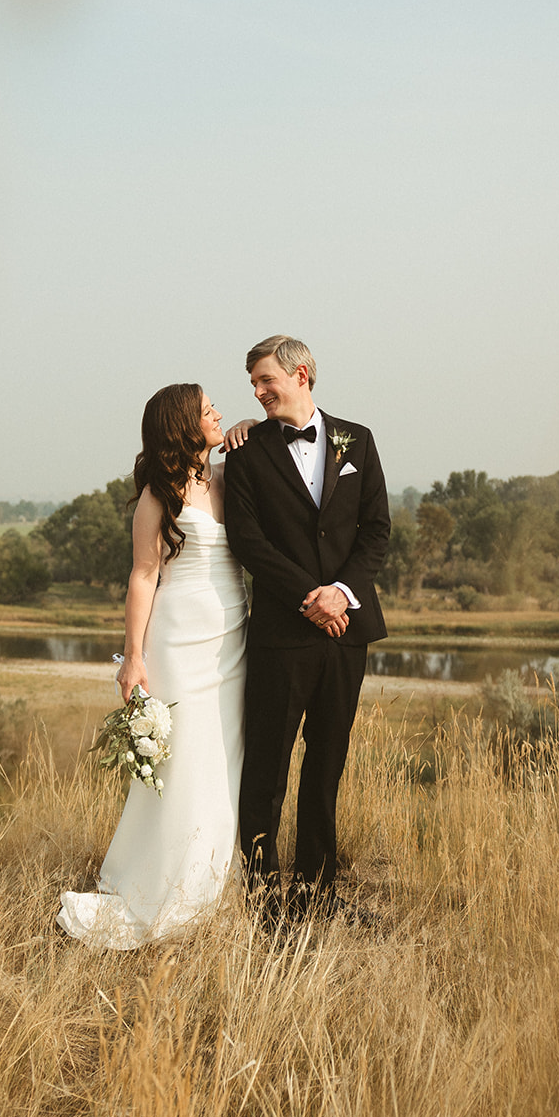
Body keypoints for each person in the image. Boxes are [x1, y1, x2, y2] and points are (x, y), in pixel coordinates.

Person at [58, 384, 247, 949]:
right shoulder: (157, 496)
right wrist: (133, 657)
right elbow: (143, 575)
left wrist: (248, 431)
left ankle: (217, 883)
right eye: (206, 408)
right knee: (185, 759)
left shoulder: (230, 477)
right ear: (182, 424)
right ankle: (170, 887)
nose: (217, 412)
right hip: (179, 638)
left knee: (225, 756)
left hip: (233, 635)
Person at [223, 334, 390, 923]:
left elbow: (376, 532)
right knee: (266, 767)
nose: (259, 392)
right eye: (254, 385)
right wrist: (307, 597)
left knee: (327, 764)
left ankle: (319, 892)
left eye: (266, 380)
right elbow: (248, 542)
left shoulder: (358, 441)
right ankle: (264, 898)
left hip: (347, 631)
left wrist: (340, 594)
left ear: (302, 375)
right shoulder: (244, 452)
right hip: (281, 633)